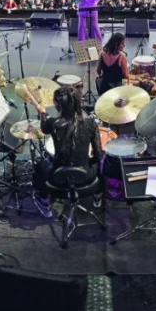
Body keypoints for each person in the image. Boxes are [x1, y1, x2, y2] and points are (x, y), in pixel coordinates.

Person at [27, 85, 104, 217]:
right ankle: (97, 196)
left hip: (58, 178)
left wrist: (42, 112)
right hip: (85, 177)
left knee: (40, 165)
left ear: (58, 106)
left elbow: (44, 128)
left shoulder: (53, 123)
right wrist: (87, 162)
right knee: (103, 162)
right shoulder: (91, 123)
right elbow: (98, 156)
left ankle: (45, 203)